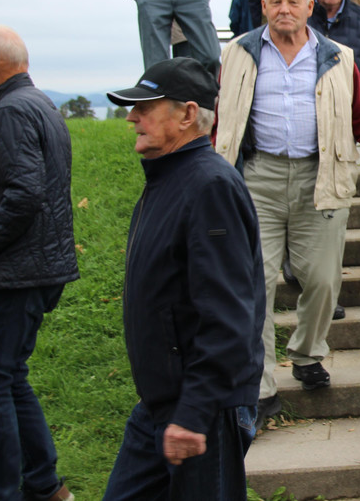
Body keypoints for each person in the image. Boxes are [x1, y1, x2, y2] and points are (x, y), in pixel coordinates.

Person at [214, 0, 360, 406]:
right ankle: (259, 387)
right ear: (263, 6)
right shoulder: (237, 54)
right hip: (257, 180)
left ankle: (308, 353)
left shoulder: (337, 57)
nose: (284, 9)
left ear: (309, 7)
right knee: (254, 282)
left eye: (293, 1)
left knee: (324, 280)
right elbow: (222, 120)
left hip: (321, 177)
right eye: (276, 1)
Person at [103, 57, 264, 499]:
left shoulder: (209, 187)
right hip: (163, 404)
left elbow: (229, 315)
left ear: (188, 114)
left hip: (204, 410)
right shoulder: (167, 178)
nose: (132, 117)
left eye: (145, 107)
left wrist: (194, 411)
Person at [0, 26, 78, 501]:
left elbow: (25, 193)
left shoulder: (11, 110)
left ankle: (4, 492)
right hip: (40, 266)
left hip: (22, 269)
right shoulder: (40, 103)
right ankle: (45, 485)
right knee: (7, 375)